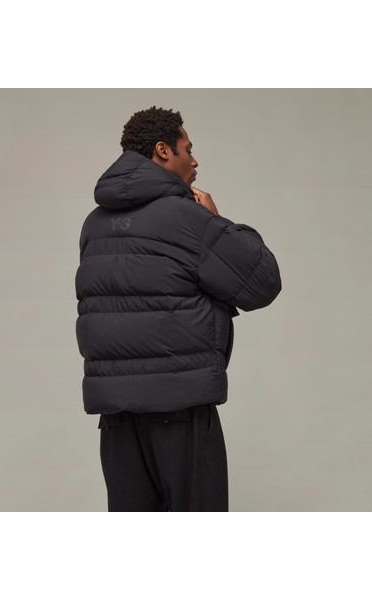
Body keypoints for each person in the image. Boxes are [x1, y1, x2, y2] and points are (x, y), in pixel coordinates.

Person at [75, 106, 282, 512]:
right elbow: (262, 283)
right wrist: (219, 222)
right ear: (163, 150)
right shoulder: (187, 217)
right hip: (180, 411)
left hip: (117, 421)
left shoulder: (94, 225)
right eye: (188, 149)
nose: (195, 160)